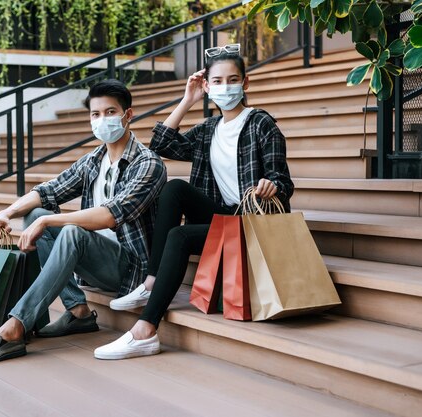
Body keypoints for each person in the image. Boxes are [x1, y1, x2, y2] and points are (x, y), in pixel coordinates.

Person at [94, 44, 294, 360]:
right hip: (224, 216)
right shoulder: (208, 129)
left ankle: (146, 328)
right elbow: (161, 144)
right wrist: (188, 100)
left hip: (252, 222)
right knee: (174, 188)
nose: (225, 87)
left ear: (245, 83)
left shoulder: (260, 124)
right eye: (217, 81)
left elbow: (283, 182)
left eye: (232, 80)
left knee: (180, 235)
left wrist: (271, 185)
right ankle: (150, 281)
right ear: (207, 86)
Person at [0, 79, 167, 365]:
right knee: (36, 214)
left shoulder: (148, 164)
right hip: (95, 261)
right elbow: (48, 190)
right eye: (96, 114)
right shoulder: (93, 160)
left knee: (67, 231)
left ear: (127, 115)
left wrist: (50, 223)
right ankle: (78, 312)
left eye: (110, 112)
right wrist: (6, 213)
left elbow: (110, 215)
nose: (102, 120)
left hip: (130, 271)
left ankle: (15, 325)